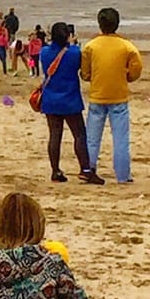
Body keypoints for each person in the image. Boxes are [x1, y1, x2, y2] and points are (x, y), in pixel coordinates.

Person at [81, 8, 143, 185]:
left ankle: (89, 169)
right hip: (119, 97)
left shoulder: (91, 46)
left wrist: (92, 76)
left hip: (97, 95)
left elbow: (85, 73)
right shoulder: (127, 46)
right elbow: (136, 70)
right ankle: (123, 175)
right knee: (121, 138)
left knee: (92, 138)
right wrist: (127, 76)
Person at [39, 22, 103, 185]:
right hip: (70, 98)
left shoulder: (44, 52)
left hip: (51, 98)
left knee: (55, 135)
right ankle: (85, 170)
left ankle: (55, 170)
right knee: (79, 135)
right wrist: (73, 44)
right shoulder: (74, 52)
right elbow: (79, 68)